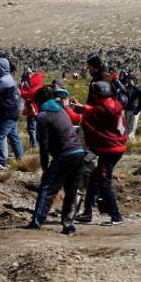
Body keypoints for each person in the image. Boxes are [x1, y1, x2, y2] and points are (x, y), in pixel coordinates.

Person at [27, 87, 86, 234]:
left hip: (65, 154)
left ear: (38, 101)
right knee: (71, 190)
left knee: (48, 188)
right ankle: (68, 225)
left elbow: (44, 143)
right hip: (79, 151)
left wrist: (44, 163)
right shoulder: (60, 110)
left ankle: (37, 221)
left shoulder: (43, 115)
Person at [74, 81, 127, 226]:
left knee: (105, 182)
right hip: (117, 146)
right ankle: (87, 213)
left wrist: (75, 112)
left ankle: (116, 217)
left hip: (109, 149)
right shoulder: (113, 103)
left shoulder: (101, 108)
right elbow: (98, 111)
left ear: (96, 94)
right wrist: (84, 107)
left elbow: (90, 119)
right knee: (94, 180)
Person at [20, 72, 44, 148]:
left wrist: (21, 87)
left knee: (31, 128)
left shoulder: (34, 90)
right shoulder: (41, 88)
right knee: (37, 128)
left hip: (32, 111)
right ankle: (35, 143)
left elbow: (24, 95)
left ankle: (34, 144)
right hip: (40, 111)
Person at [123, 75, 141, 142]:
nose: (129, 82)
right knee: (127, 125)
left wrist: (134, 85)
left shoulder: (137, 87)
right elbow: (122, 90)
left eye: (131, 80)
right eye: (129, 80)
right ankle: (128, 139)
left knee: (133, 124)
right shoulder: (127, 88)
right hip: (128, 109)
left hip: (135, 109)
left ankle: (132, 139)